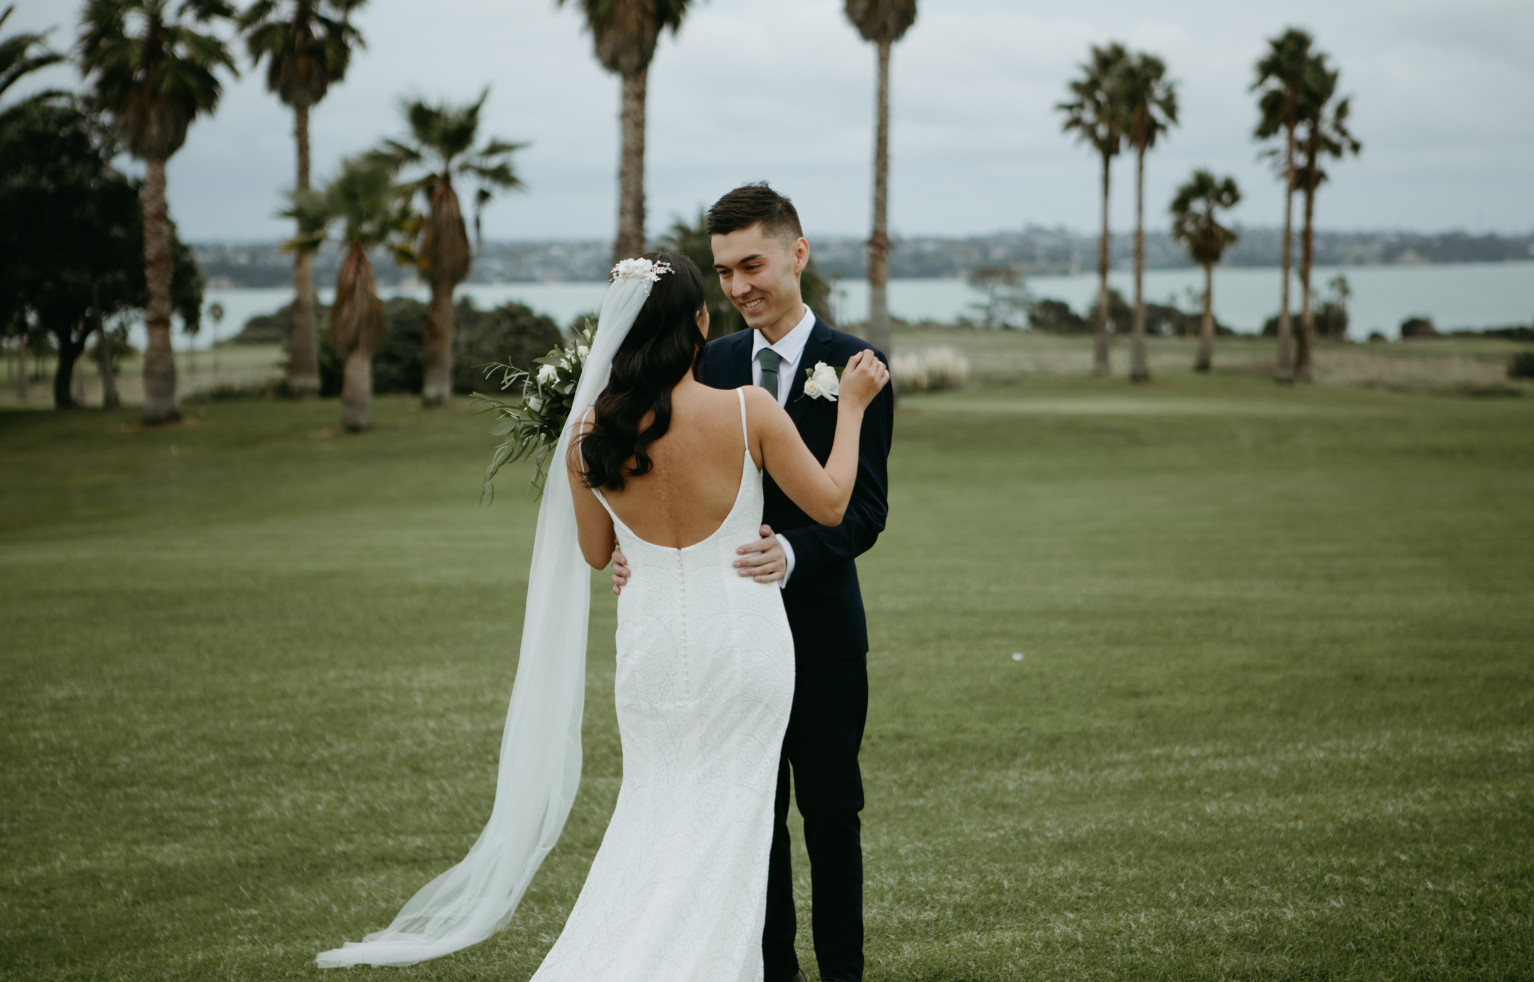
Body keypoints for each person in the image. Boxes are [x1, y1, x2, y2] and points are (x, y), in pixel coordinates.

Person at [315, 250, 888, 979]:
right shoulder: (748, 410)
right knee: (737, 822)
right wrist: (855, 409)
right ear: (699, 324)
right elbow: (834, 502)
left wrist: (640, 547)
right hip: (743, 648)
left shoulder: (588, 437)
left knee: (658, 817)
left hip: (650, 656)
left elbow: (596, 552)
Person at [613, 183, 895, 982]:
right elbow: (656, 472)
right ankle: (773, 972)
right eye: (723, 271)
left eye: (752, 264)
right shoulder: (711, 361)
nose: (737, 287)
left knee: (833, 815)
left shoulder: (857, 368)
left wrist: (795, 555)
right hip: (730, 642)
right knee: (751, 819)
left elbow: (864, 510)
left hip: (824, 633)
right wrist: (638, 548)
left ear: (796, 255)